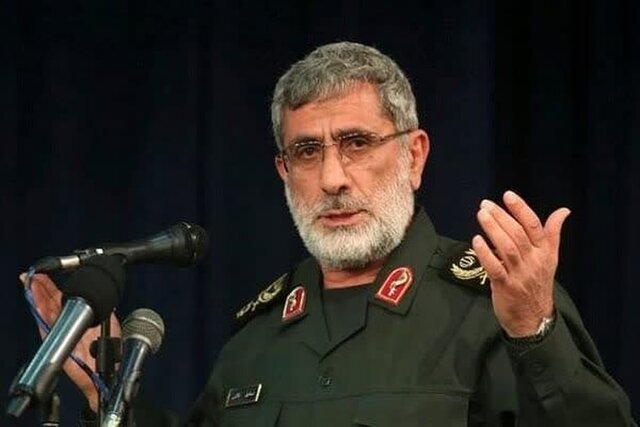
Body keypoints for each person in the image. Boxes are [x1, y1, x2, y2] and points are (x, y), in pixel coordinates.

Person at [24, 42, 635, 426]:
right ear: (283, 172)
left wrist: (535, 333)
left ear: (414, 156)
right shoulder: (256, 338)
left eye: (357, 143)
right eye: (307, 151)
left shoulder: (499, 306)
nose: (332, 178)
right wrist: (111, 394)